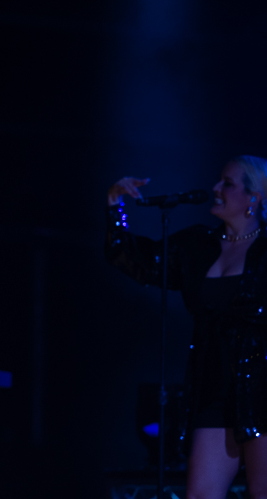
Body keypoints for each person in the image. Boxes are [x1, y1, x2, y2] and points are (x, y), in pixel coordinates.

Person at [106, 157, 267, 499]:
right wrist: (115, 205)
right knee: (200, 494)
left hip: (263, 387)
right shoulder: (197, 246)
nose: (216, 188)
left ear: (254, 197)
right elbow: (137, 260)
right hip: (212, 387)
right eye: (219, 181)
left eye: (227, 183)